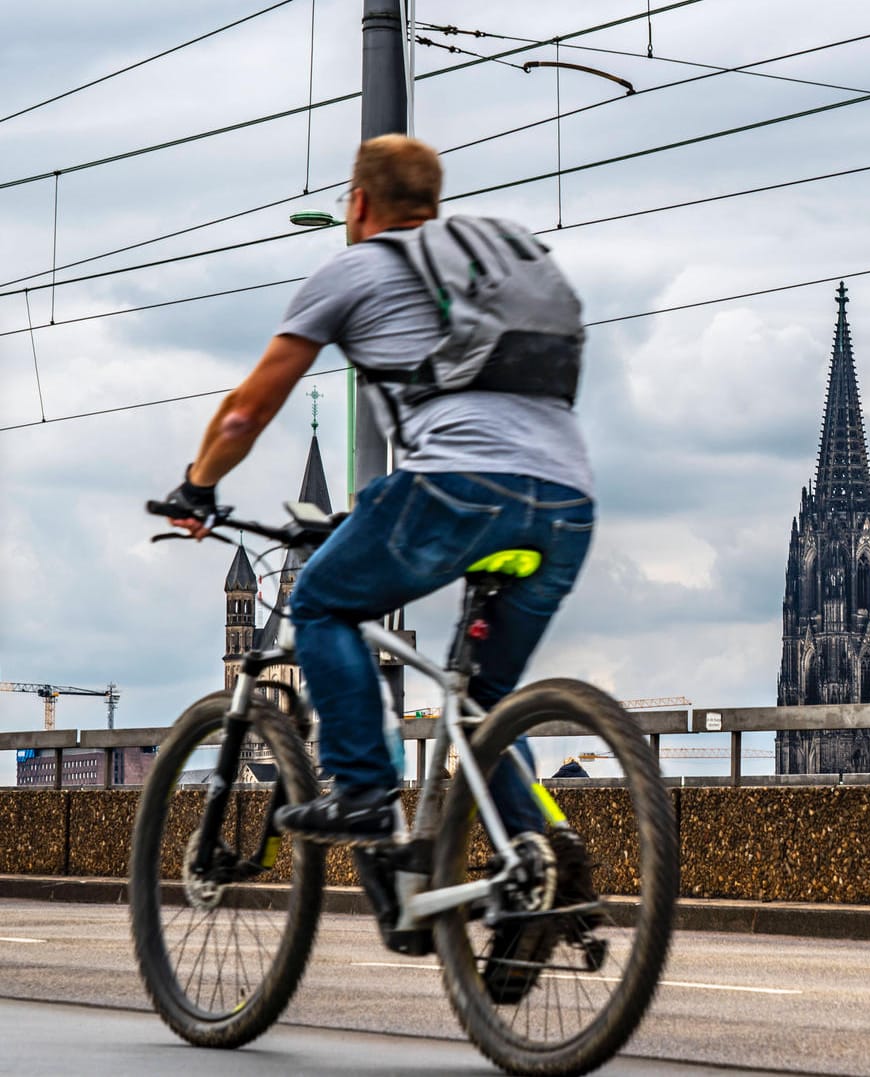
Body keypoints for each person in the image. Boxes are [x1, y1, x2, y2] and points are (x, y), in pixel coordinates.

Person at [161, 135, 595, 861]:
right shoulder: (483, 271)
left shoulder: (355, 267)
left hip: (458, 484)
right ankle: (544, 861)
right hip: (568, 499)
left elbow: (245, 412)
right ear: (433, 205)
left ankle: (364, 788)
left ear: (357, 203)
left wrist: (197, 486)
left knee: (322, 599)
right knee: (481, 707)